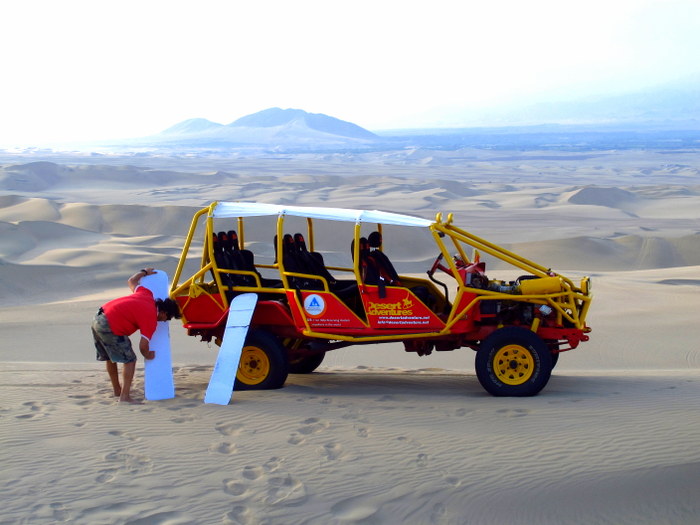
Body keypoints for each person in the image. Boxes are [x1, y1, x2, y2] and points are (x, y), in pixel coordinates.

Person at [91, 268, 181, 403]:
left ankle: (117, 390)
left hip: (98, 317)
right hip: (110, 325)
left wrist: (144, 272)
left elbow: (131, 280)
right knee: (130, 360)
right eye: (168, 318)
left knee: (110, 357)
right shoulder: (151, 318)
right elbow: (143, 346)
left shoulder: (146, 293)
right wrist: (149, 355)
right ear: (164, 312)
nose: (165, 321)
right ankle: (124, 396)